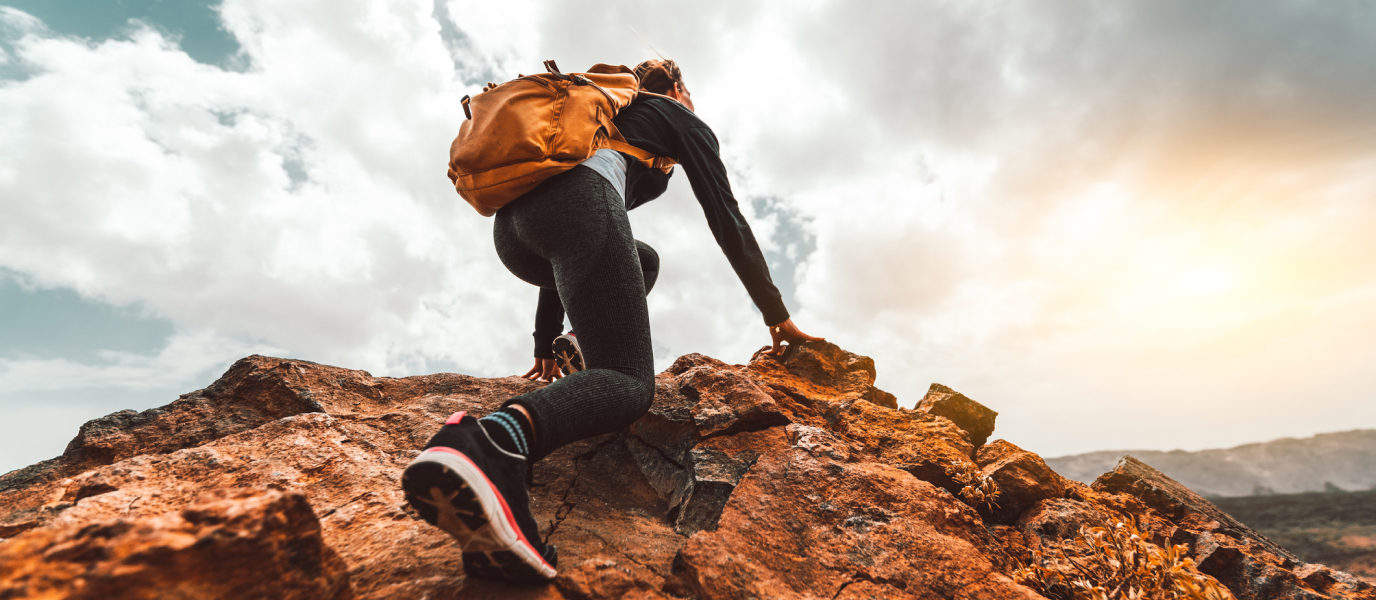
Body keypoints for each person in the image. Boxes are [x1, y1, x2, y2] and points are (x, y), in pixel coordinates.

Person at [401, 59, 823, 583]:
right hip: (577, 207)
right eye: (689, 90)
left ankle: (495, 528)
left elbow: (566, 239)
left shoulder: (610, 115)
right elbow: (725, 215)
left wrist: (546, 340)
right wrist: (774, 311)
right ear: (678, 88)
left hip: (514, 231)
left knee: (641, 258)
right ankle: (491, 445)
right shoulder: (676, 115)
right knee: (626, 382)